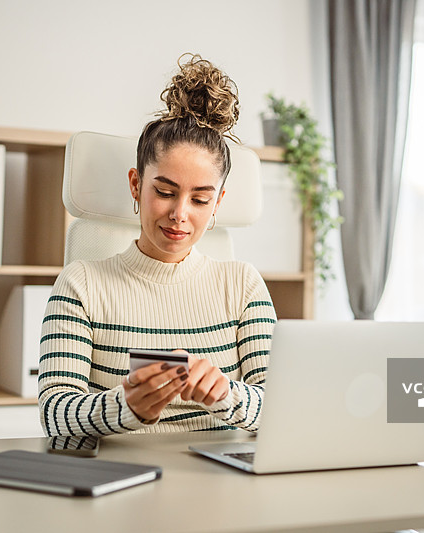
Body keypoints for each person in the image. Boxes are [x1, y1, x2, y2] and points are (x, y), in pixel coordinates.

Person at [38, 53, 276, 436]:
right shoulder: (80, 284)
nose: (180, 214)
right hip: (122, 481)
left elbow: (279, 406)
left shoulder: (243, 285)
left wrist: (226, 395)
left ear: (218, 202)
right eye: (165, 192)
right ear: (136, 184)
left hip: (220, 484)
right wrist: (125, 406)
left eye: (200, 199)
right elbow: (54, 412)